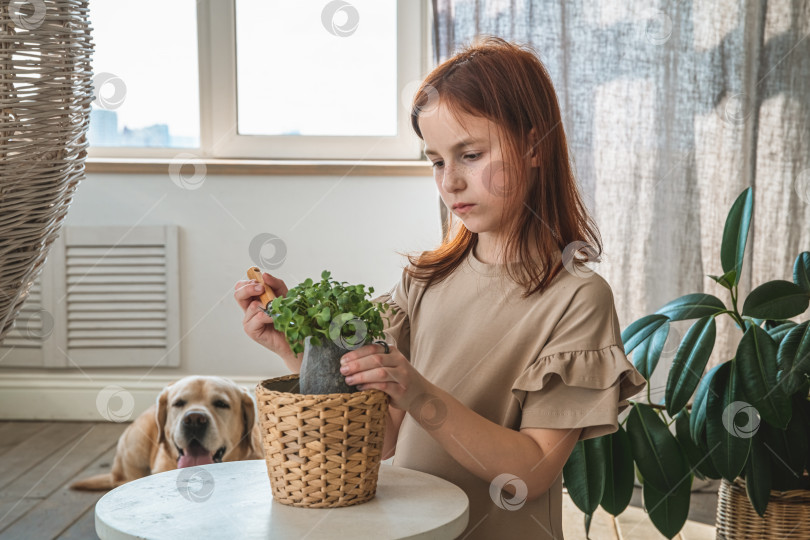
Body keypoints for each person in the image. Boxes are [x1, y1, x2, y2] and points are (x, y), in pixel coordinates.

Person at [234, 36, 647, 540]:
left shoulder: (577, 298)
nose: (449, 181)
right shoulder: (422, 281)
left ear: (535, 147)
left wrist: (419, 393)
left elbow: (531, 472)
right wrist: (301, 354)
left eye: (469, 155)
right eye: (435, 161)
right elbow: (380, 438)